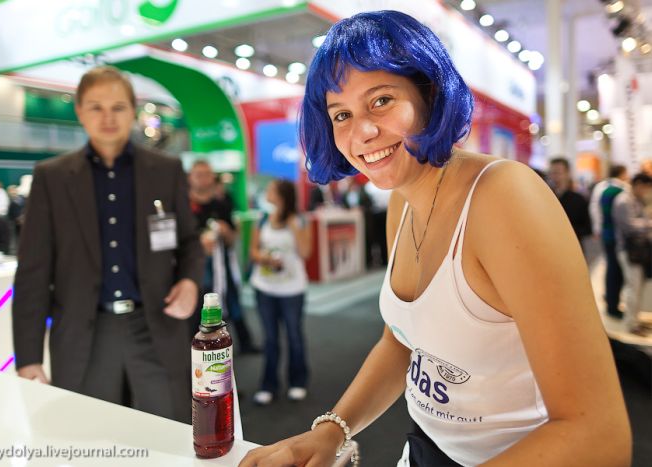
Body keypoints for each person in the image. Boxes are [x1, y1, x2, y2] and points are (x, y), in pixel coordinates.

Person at [240, 11, 630, 466]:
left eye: (381, 100)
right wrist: (332, 430)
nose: (361, 131)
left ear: (428, 92)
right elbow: (401, 341)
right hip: (426, 448)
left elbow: (598, 435)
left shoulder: (504, 196)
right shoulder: (402, 202)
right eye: (341, 114)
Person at [12, 66, 204, 423]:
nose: (108, 117)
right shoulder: (51, 178)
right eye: (96, 107)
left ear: (133, 110)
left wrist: (190, 281)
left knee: (166, 433)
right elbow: (33, 272)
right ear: (80, 111)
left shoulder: (166, 170)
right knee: (91, 437)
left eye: (118, 107)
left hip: (155, 327)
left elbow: (190, 243)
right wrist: (28, 356)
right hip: (85, 333)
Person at [248, 179, 311, 405]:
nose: (267, 193)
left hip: (292, 289)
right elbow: (252, 252)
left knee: (294, 336)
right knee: (270, 338)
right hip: (264, 287)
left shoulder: (299, 220)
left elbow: (305, 252)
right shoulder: (262, 219)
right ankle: (268, 385)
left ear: (283, 195)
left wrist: (294, 225)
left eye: (271, 190)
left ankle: (298, 381)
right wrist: (264, 257)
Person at [188, 159, 258, 353]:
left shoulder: (222, 202)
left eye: (207, 174)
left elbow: (233, 236)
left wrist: (225, 232)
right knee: (196, 309)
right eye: (198, 174)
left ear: (213, 177)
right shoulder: (182, 205)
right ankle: (199, 348)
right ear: (190, 178)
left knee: (231, 301)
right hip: (195, 267)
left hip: (222, 265)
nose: (203, 179)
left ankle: (241, 343)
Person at [612, 173, 652, 334]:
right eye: (646, 188)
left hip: (639, 250)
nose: (647, 192)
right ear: (639, 184)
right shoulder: (623, 200)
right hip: (628, 250)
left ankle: (635, 320)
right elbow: (629, 226)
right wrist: (649, 223)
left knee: (639, 286)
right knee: (633, 286)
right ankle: (630, 324)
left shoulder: (636, 200)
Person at [590, 165, 629, 319]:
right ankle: (612, 304)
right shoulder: (621, 189)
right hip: (616, 236)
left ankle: (610, 298)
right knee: (615, 270)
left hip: (606, 234)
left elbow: (594, 209)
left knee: (610, 267)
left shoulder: (601, 187)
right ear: (621, 173)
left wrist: (597, 228)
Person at [547, 157, 592, 245]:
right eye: (552, 173)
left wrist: (565, 231)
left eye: (558, 172)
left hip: (574, 247)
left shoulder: (578, 199)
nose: (554, 176)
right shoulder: (545, 197)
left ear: (567, 173)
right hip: (550, 247)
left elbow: (587, 229)